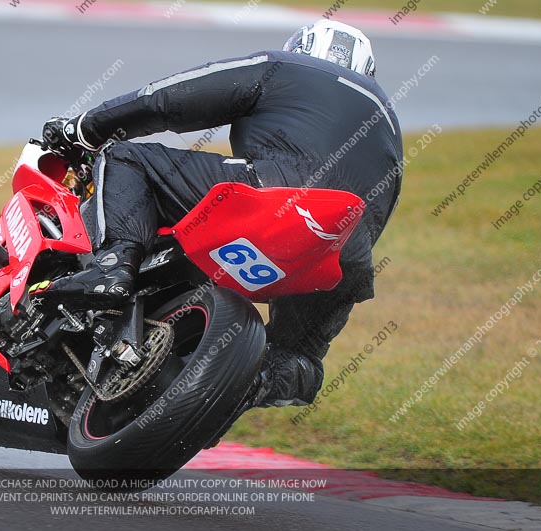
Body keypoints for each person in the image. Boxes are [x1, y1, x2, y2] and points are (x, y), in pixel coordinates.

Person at [36, 20, 403, 409]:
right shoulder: (391, 129)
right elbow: (379, 214)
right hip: (343, 251)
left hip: (273, 193)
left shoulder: (284, 66)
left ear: (300, 48)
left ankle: (113, 269)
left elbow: (168, 99)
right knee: (300, 359)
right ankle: (247, 387)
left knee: (126, 157)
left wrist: (85, 127)